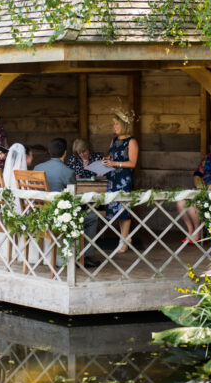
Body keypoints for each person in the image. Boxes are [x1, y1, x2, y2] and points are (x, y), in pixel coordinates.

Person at [35, 138, 100, 267]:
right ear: (65, 153)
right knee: (92, 217)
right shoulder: (68, 172)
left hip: (39, 215)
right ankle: (84, 256)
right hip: (59, 217)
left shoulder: (37, 168)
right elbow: (73, 197)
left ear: (49, 151)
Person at [176, 133, 211, 243]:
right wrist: (199, 186)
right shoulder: (208, 157)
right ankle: (190, 230)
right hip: (202, 189)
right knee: (180, 202)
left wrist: (206, 189)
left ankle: (198, 232)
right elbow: (197, 174)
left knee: (193, 204)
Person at [102, 110, 139, 254]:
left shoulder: (132, 141)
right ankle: (124, 238)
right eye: (113, 124)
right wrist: (106, 161)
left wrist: (115, 164)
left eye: (116, 124)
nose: (114, 126)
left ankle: (123, 242)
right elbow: (111, 157)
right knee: (115, 211)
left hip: (124, 179)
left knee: (124, 210)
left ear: (123, 125)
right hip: (112, 178)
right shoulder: (114, 140)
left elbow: (132, 163)